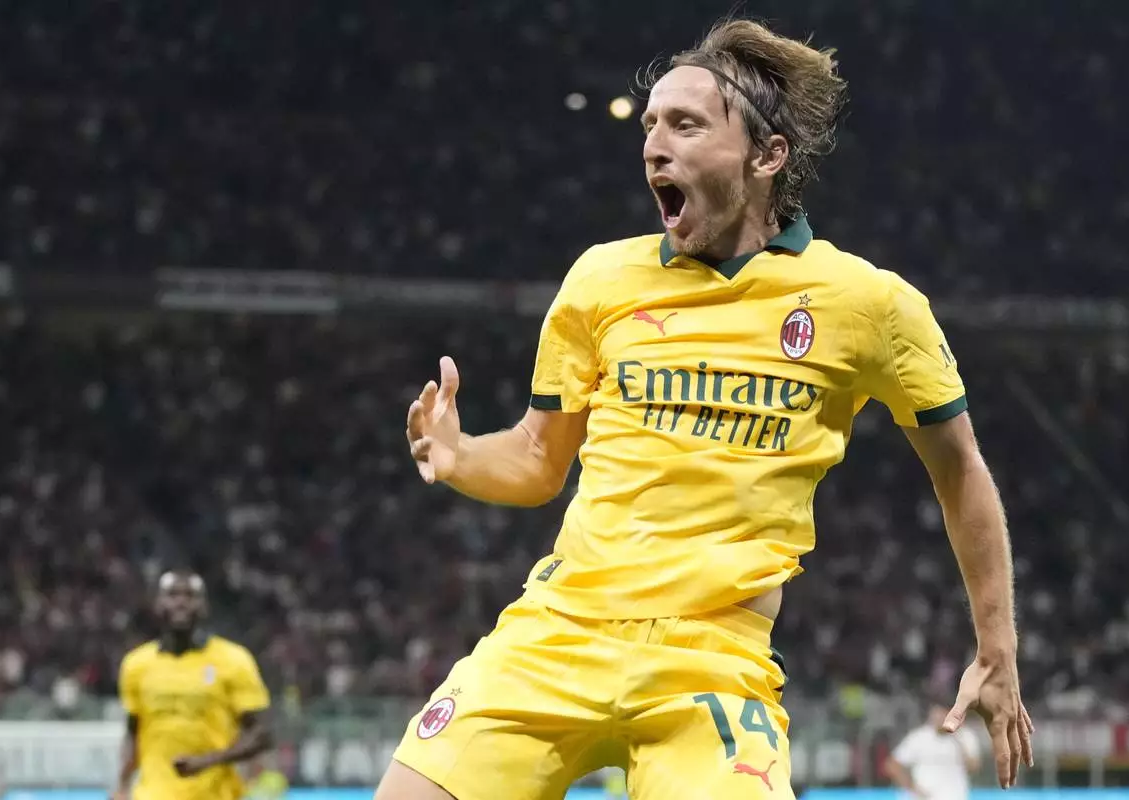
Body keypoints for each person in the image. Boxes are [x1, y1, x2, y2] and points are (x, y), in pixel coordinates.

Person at [385, 16, 1033, 800]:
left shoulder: (868, 303)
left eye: (686, 125)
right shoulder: (600, 280)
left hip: (712, 661)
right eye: (650, 124)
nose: (655, 145)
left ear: (767, 155)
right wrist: (459, 455)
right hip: (556, 632)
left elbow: (960, 470)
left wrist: (996, 647)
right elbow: (536, 459)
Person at [112, 570, 273, 800]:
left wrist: (208, 760)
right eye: (172, 594)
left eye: (190, 595)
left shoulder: (234, 660)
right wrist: (122, 785)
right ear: (158, 605)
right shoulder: (136, 665)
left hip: (215, 795)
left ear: (204, 606)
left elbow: (262, 735)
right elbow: (133, 732)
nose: (181, 602)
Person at [885, 697, 982, 800]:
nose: (939, 718)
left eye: (943, 714)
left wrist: (957, 738)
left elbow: (974, 767)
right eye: (936, 714)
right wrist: (911, 787)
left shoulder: (965, 736)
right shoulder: (918, 737)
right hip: (924, 797)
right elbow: (892, 765)